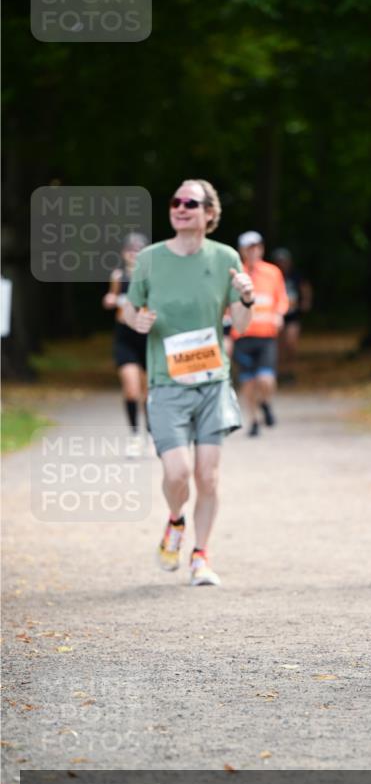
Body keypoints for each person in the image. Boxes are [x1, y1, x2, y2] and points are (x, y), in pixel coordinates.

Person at [124, 179, 255, 586]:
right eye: (175, 201)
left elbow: (241, 324)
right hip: (166, 383)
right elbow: (130, 308)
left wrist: (246, 298)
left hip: (212, 381)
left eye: (190, 203)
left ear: (209, 214)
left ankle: (201, 555)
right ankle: (175, 519)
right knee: (178, 473)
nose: (180, 208)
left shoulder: (225, 257)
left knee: (208, 476)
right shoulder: (149, 259)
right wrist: (138, 320)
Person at [231, 232, 289, 436]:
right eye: (249, 248)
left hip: (266, 336)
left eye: (257, 247)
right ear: (242, 251)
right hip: (243, 336)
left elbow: (281, 298)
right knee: (248, 382)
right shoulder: (236, 274)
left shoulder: (272, 272)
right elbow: (228, 306)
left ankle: (265, 402)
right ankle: (254, 420)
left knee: (266, 380)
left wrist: (279, 314)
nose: (253, 251)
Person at [102, 232, 149, 457]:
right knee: (131, 389)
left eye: (138, 250)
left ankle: (152, 433)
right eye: (130, 249)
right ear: (123, 253)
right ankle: (134, 436)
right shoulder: (118, 276)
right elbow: (111, 299)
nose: (134, 254)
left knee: (148, 393)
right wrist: (110, 300)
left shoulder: (151, 278)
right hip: (125, 338)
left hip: (147, 338)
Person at [271, 247, 313, 382]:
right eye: (279, 261)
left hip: (293, 314)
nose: (282, 264)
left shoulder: (296, 275)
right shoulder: (272, 275)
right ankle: (280, 372)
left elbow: (305, 287)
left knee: (291, 344)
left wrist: (306, 301)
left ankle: (290, 371)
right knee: (279, 346)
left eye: (284, 261)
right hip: (277, 314)